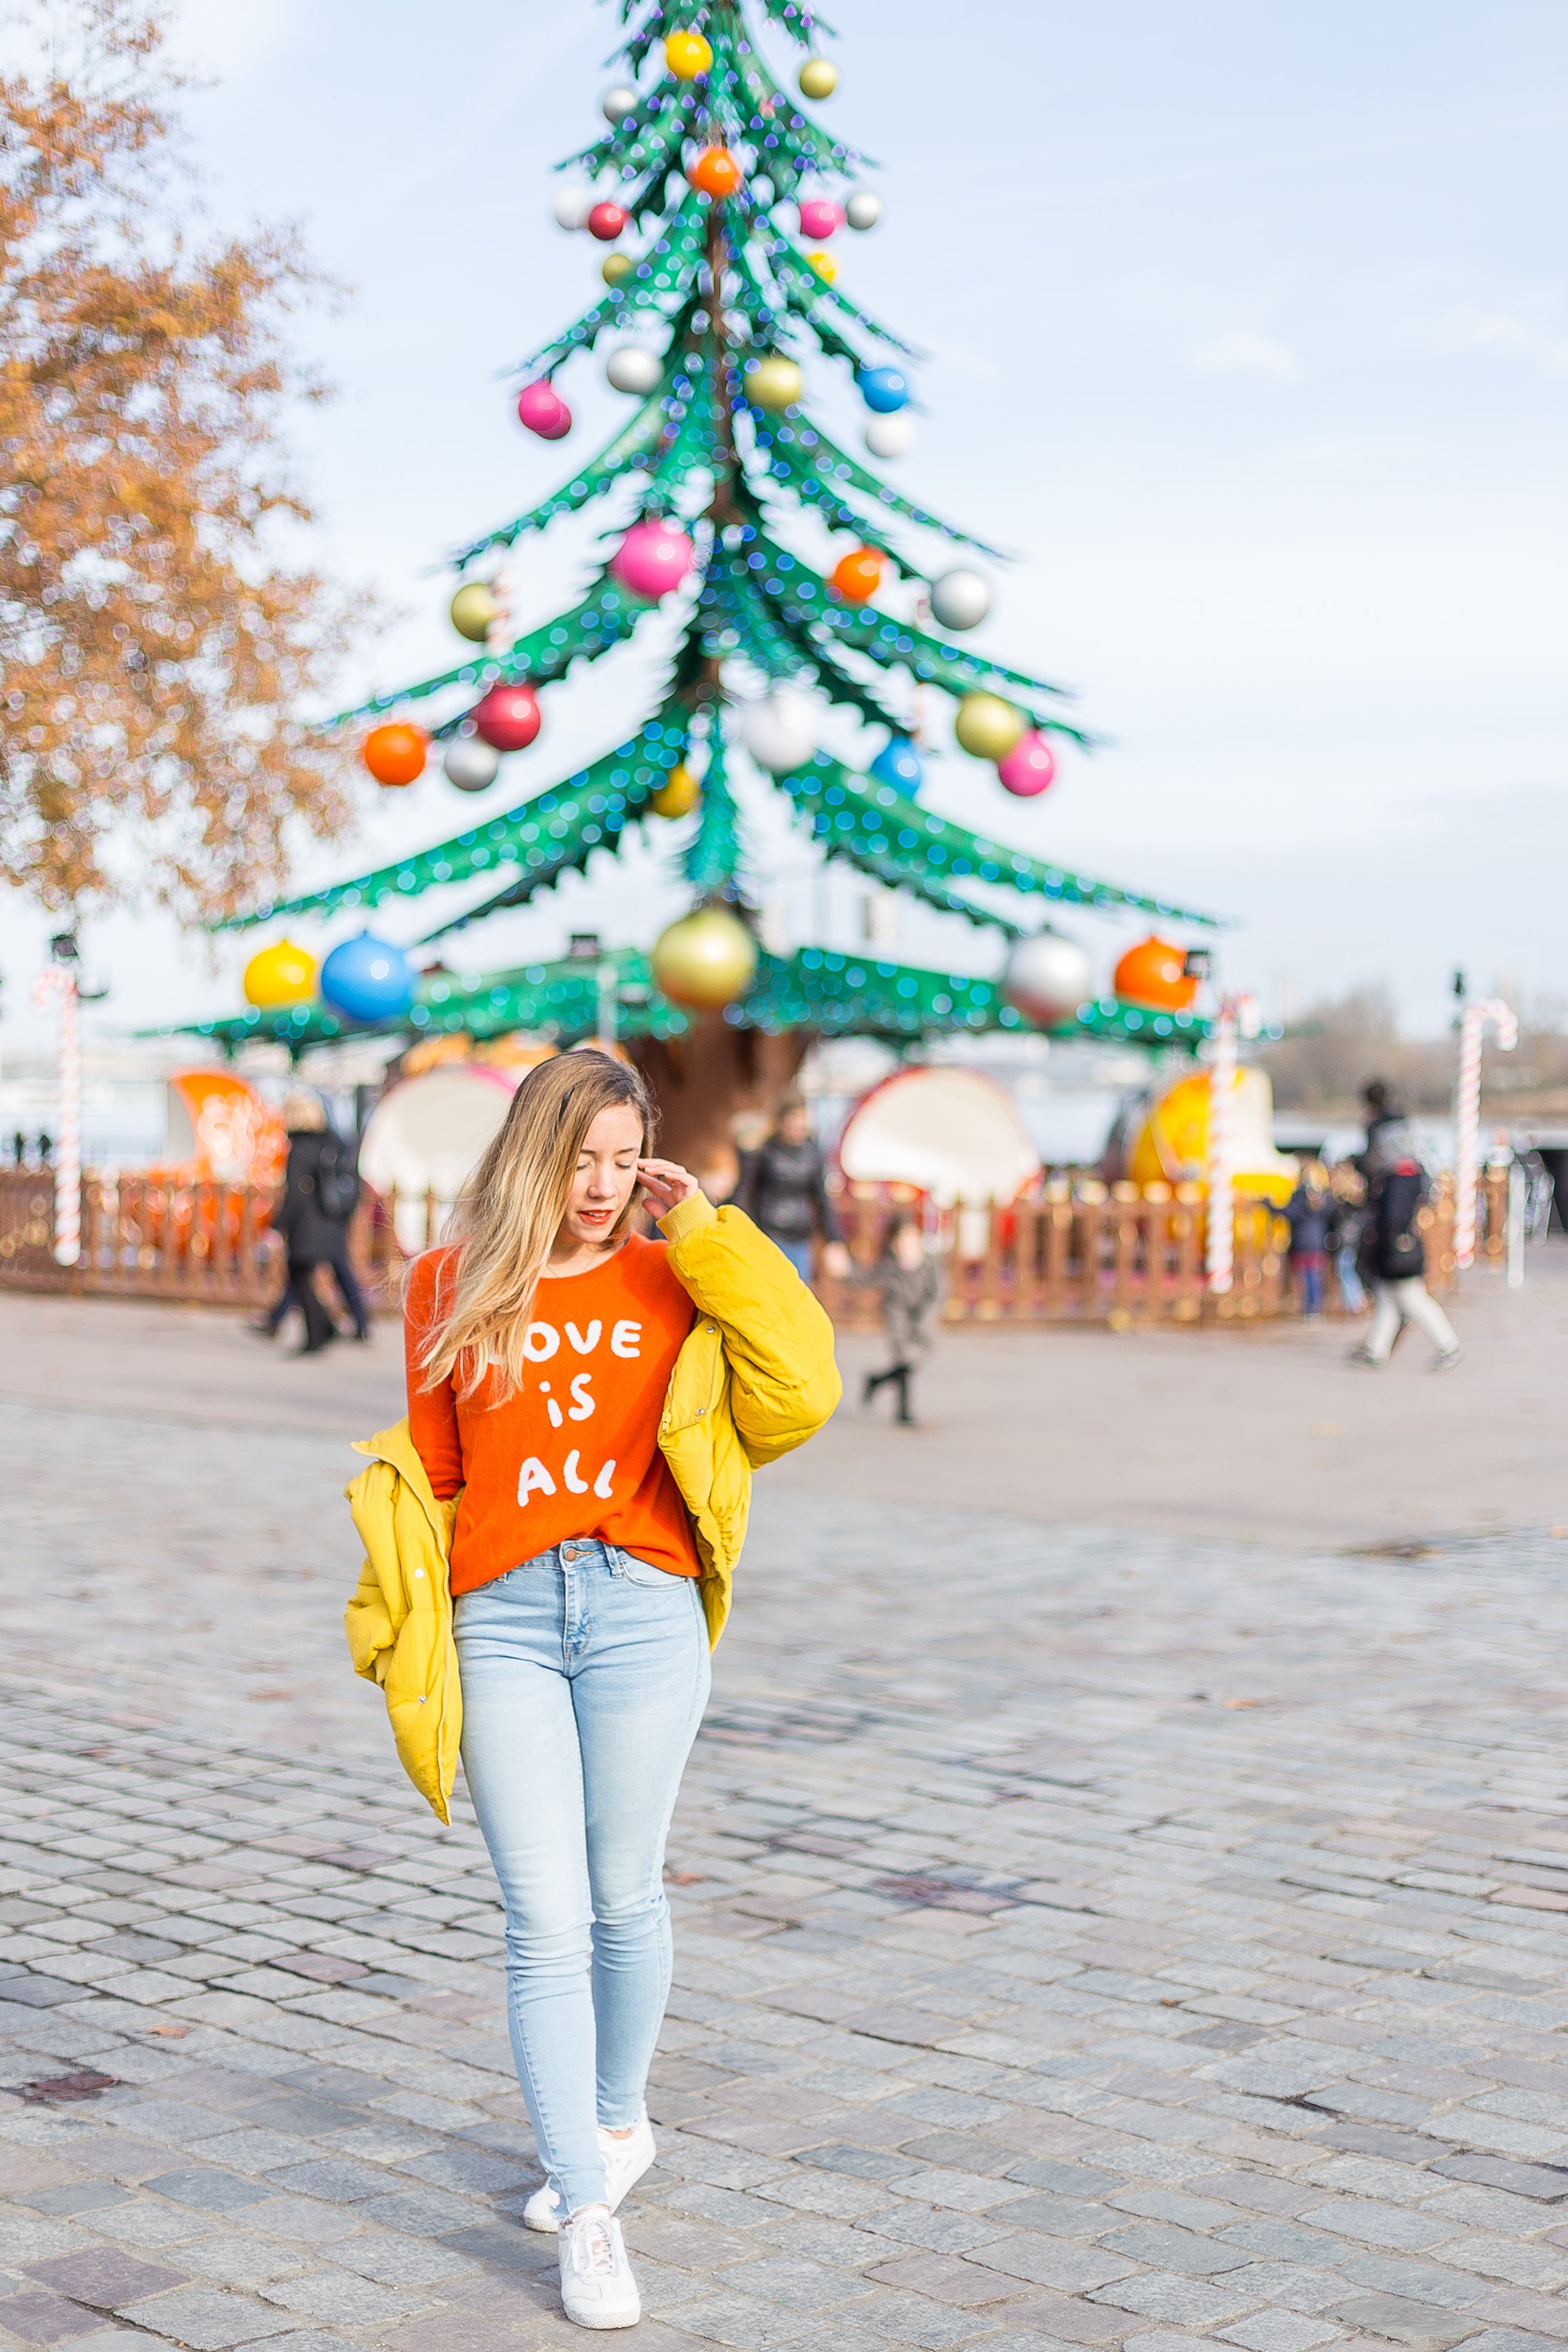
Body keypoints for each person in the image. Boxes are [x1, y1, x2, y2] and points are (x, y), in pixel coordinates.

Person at [399, 1052, 839, 2330]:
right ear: (535, 1152)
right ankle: (586, 2210)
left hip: (644, 1609)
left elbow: (802, 1385)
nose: (598, 1187)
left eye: (619, 1160)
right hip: (508, 1621)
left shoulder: (671, 1276)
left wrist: (702, 1225)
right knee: (541, 1918)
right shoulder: (451, 1282)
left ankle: (618, 2118)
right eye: (577, 1159)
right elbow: (436, 1476)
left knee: (621, 1890)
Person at [1350, 1120, 1461, 1370]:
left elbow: (1393, 1215)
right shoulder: (1408, 1174)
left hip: (1396, 1247)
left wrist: (1382, 1236)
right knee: (1389, 1297)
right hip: (1400, 1245)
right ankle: (1376, 1350)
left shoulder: (1399, 1176)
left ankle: (1448, 1345)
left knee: (1412, 1297)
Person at [262, 1093, 368, 1352]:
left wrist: (277, 1227)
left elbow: (295, 1194)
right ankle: (332, 1327)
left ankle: (319, 1334)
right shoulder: (328, 1143)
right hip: (328, 1221)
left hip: (307, 1225)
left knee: (301, 1274)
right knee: (318, 1273)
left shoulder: (299, 1149)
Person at [736, 1091, 848, 1283]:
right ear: (781, 1122)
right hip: (769, 1234)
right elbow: (745, 1192)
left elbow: (822, 1200)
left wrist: (834, 1240)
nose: (798, 1128)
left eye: (801, 1123)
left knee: (798, 1293)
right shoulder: (765, 1151)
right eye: (792, 1122)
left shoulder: (812, 1154)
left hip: (800, 1237)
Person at [859, 1211, 942, 1424]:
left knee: (917, 1358)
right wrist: (844, 1273)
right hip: (897, 1315)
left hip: (921, 1318)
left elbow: (937, 1291)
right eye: (904, 1240)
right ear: (895, 1243)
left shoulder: (929, 1262)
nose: (909, 1244)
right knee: (903, 1358)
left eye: (913, 1239)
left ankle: (876, 1380)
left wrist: (926, 1315)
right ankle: (904, 1411)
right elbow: (866, 1278)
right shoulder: (890, 1265)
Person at [1280, 1161, 1333, 1318]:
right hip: (1317, 1242)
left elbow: (1289, 1213)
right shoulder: (1324, 1199)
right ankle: (1315, 1307)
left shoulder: (1299, 1198)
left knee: (1307, 1277)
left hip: (1303, 1243)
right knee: (1314, 1277)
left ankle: (1311, 1308)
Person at [1326, 1164, 1367, 1313]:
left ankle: (1354, 1303)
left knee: (1345, 1269)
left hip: (1347, 1239)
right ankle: (1355, 1301)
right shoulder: (1357, 1196)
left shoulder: (1343, 1199)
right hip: (1353, 1239)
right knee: (1348, 1268)